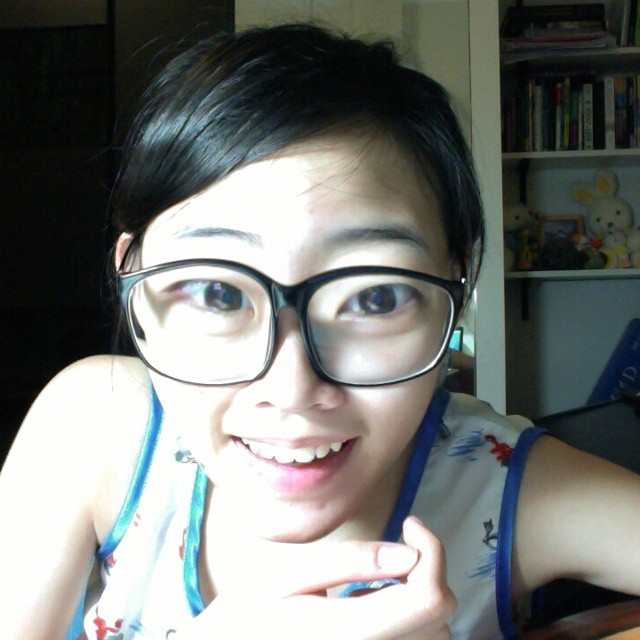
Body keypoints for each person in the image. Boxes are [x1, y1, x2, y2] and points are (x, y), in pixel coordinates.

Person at [1, 23, 639, 640]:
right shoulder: (96, 427)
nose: (292, 390)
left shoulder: (500, 486)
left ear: (458, 283)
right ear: (134, 286)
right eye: (219, 294)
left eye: (375, 298)